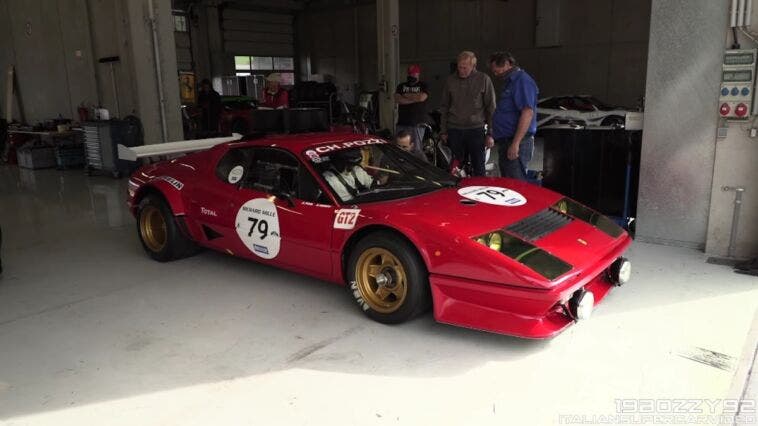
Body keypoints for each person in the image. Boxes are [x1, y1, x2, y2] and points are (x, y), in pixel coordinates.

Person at [439, 51, 496, 176]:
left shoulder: (483, 79)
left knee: (478, 166)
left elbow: (491, 108)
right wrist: (443, 130)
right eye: (459, 67)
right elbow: (444, 107)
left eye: (465, 67)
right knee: (455, 167)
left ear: (473, 66)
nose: (461, 70)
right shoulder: (450, 81)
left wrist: (491, 133)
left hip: (476, 130)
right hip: (454, 129)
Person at [489, 51, 539, 180]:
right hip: (506, 141)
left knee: (516, 184)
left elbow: (527, 112)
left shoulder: (521, 81)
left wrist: (515, 143)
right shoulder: (509, 82)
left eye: (497, 71)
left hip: (517, 142)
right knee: (508, 183)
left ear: (506, 64)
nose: (496, 74)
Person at [394, 64, 429, 153]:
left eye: (413, 74)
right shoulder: (401, 86)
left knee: (416, 149)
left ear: (418, 74)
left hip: (418, 124)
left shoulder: (423, 85)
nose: (411, 76)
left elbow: (422, 97)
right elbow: (398, 99)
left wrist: (406, 96)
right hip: (402, 123)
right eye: (410, 74)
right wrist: (415, 99)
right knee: (400, 148)